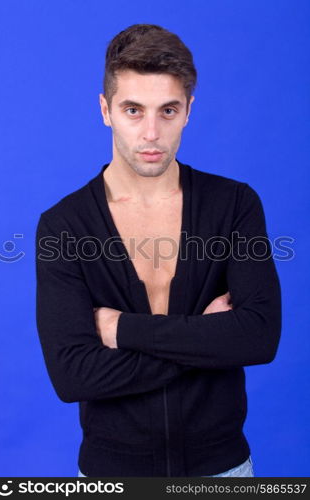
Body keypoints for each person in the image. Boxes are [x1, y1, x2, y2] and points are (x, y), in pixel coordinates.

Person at [35, 24, 281, 478]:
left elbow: (258, 338)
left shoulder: (233, 205)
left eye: (168, 110)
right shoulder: (64, 225)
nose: (151, 133)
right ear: (105, 110)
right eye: (134, 110)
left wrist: (122, 329)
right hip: (113, 475)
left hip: (222, 469)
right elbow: (72, 376)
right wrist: (206, 340)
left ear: (188, 111)